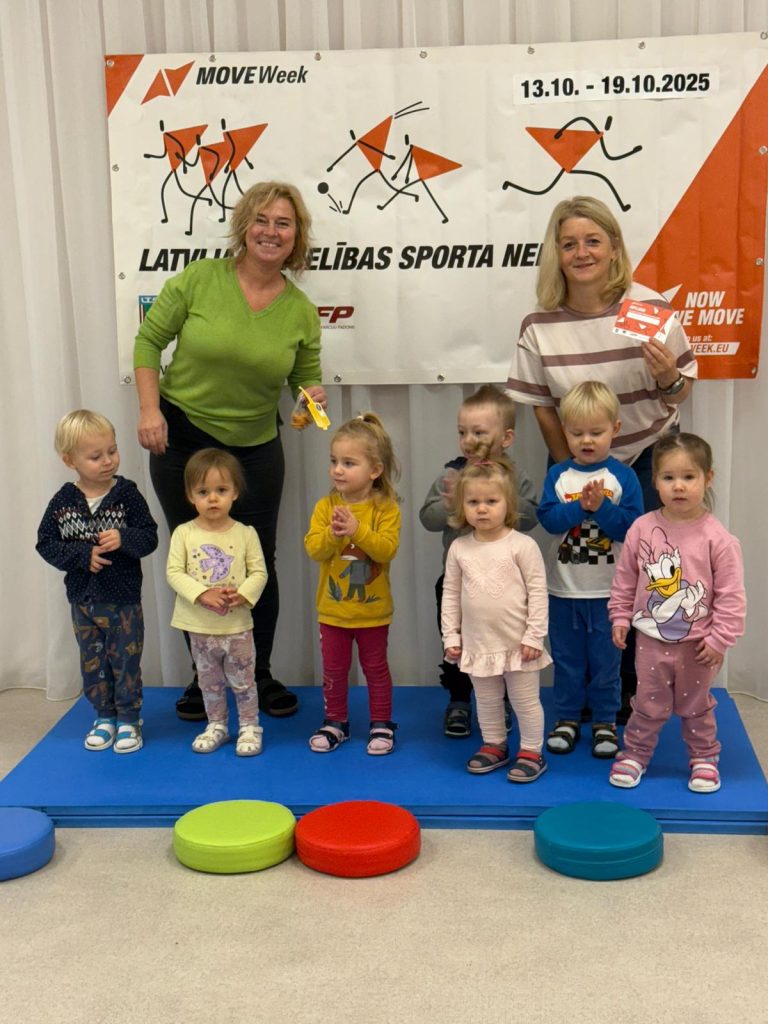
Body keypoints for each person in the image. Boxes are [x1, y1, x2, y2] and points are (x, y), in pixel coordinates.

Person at [133, 181, 327, 722]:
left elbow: (305, 383)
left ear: (296, 237)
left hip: (256, 447)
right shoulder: (200, 278)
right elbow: (148, 342)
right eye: (261, 219)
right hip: (181, 438)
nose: (271, 231)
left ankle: (255, 673)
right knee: (195, 556)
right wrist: (149, 410)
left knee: (255, 561)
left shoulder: (300, 310)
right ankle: (206, 678)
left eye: (283, 223)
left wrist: (310, 404)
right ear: (244, 225)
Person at [506, 194, 697, 717]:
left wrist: (668, 376)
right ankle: (586, 696)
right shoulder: (539, 323)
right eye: (569, 243)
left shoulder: (648, 308)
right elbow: (542, 405)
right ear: (556, 252)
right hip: (577, 464)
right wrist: (573, 468)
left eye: (593, 240)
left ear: (614, 246)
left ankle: (637, 689)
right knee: (585, 576)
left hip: (648, 457)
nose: (582, 252)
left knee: (651, 574)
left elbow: (681, 390)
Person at [608, 433, 746, 792]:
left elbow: (732, 596)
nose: (679, 486)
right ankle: (636, 754)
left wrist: (719, 639)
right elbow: (625, 578)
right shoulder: (642, 528)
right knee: (647, 703)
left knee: (696, 705)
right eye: (669, 477)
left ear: (708, 478)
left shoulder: (718, 538)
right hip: (650, 641)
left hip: (698, 645)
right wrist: (620, 616)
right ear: (655, 480)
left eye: (688, 477)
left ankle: (704, 758)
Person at [419, 384, 539, 738]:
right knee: (456, 643)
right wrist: (451, 504)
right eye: (462, 432)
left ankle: (503, 701)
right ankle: (459, 699)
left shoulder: (515, 477)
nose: (469, 440)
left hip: (506, 586)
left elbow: (533, 517)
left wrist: (507, 500)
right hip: (459, 583)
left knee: (505, 643)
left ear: (507, 437)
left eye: (479, 432)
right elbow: (427, 518)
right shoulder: (451, 475)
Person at [36, 410, 158, 753]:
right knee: (93, 662)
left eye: (112, 451)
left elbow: (149, 537)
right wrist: (81, 556)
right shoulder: (63, 502)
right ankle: (104, 716)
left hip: (123, 601)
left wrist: (124, 538)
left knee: (125, 662)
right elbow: (45, 543)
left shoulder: (127, 494)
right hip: (83, 602)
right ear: (69, 460)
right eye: (95, 456)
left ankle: (129, 718)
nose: (108, 461)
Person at [537, 382, 643, 759]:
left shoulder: (623, 477)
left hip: (609, 594)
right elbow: (548, 520)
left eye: (596, 432)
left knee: (606, 663)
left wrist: (602, 508)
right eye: (576, 432)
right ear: (564, 432)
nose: (586, 440)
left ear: (615, 429)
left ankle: (604, 722)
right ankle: (566, 718)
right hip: (563, 590)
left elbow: (630, 529)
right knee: (567, 661)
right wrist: (581, 507)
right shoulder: (559, 475)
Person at [441, 455, 551, 782]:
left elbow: (538, 593)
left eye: (491, 501)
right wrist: (451, 636)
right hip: (478, 644)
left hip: (519, 645)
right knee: (487, 701)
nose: (482, 509)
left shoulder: (523, 546)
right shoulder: (459, 548)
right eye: (473, 502)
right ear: (462, 506)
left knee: (525, 701)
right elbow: (450, 595)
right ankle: (494, 744)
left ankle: (531, 751)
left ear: (508, 503)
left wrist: (534, 636)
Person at [304, 413, 401, 756]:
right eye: (334, 461)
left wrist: (357, 530)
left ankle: (381, 723)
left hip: (373, 613)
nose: (338, 470)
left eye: (348, 463)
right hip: (333, 612)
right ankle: (336, 722)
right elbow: (314, 549)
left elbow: (386, 550)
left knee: (376, 669)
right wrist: (334, 534)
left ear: (375, 470)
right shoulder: (325, 506)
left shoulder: (385, 508)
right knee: (334, 670)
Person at [166, 449, 268, 756]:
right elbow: (174, 572)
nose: (212, 498)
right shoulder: (184, 533)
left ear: (235, 492)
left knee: (244, 681)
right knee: (209, 682)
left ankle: (249, 726)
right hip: (199, 627)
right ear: (190, 495)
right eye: (203, 492)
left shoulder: (246, 533)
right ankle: (217, 725)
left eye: (221, 490)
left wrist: (243, 594)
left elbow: (259, 572)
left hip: (237, 626)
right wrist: (202, 594)